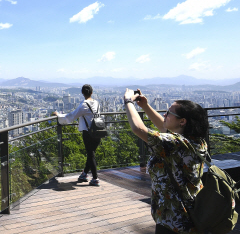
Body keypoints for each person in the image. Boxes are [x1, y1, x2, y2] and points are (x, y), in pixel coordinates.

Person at [123, 88, 208, 234]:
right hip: (190, 214)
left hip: (173, 219)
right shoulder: (196, 141)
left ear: (182, 121)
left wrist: (128, 102)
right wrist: (145, 106)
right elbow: (164, 126)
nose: (165, 114)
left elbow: (138, 128)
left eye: (169, 113)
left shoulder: (176, 144)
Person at [53, 84, 102, 186]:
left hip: (88, 133)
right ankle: (84, 174)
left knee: (90, 154)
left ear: (82, 93)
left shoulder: (84, 105)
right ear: (91, 92)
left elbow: (71, 116)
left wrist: (58, 115)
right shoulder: (97, 103)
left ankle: (95, 178)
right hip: (99, 131)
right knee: (91, 154)